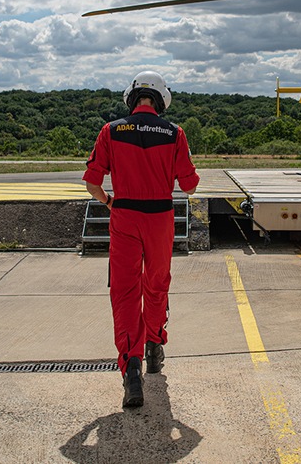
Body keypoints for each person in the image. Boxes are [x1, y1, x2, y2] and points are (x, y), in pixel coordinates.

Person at [82, 71, 199, 408]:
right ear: (161, 100)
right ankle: (154, 346)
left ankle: (131, 371)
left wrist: (109, 201)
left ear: (131, 99)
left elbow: (92, 183)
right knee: (156, 284)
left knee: (125, 290)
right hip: (161, 218)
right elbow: (189, 187)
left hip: (125, 217)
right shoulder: (175, 133)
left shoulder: (111, 130)